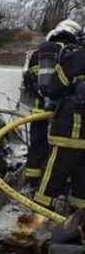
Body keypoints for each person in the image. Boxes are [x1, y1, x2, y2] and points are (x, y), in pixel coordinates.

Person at [21, 21, 81, 187]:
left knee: (37, 147)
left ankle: (31, 184)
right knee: (57, 153)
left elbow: (28, 81)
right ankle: (56, 188)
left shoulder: (37, 53)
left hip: (39, 111)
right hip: (63, 116)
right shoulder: (71, 54)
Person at [34, 19, 85, 213]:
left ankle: (38, 216)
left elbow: (54, 88)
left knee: (53, 175)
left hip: (69, 130)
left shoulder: (78, 57)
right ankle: (78, 222)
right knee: (82, 181)